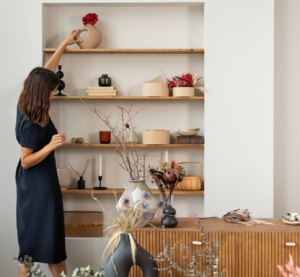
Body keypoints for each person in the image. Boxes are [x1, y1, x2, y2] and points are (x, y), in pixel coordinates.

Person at [15, 30, 82, 277]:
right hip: (37, 184)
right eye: (53, 91)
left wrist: (65, 43)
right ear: (43, 92)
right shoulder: (34, 120)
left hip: (37, 183)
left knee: (40, 244)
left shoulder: (25, 99)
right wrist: (50, 146)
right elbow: (25, 161)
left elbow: (46, 71)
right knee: (41, 245)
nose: (54, 93)